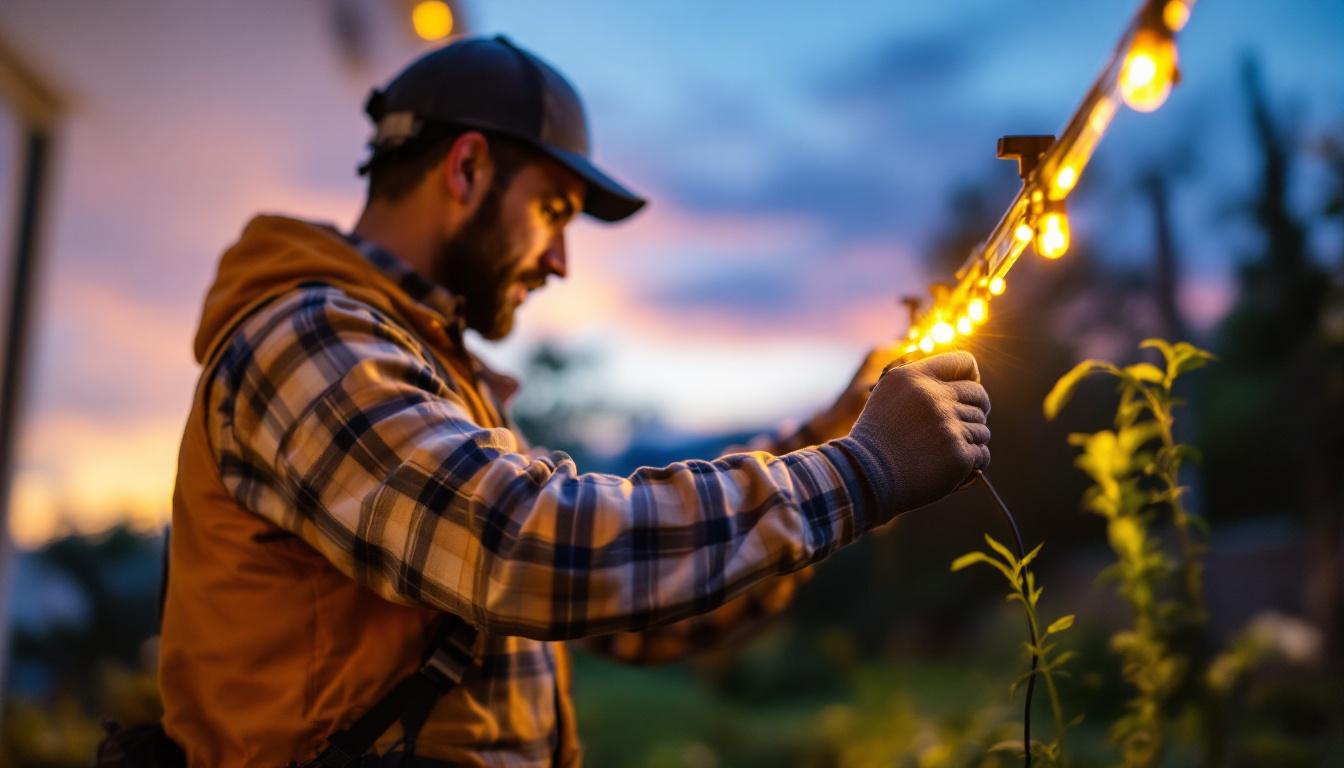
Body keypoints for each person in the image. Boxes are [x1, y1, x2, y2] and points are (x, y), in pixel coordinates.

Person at [157, 35, 991, 767]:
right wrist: (858, 472)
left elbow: (635, 616)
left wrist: (834, 436)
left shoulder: (430, 375)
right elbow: (527, 545)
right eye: (553, 210)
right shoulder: (308, 339)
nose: (560, 261)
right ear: (467, 167)